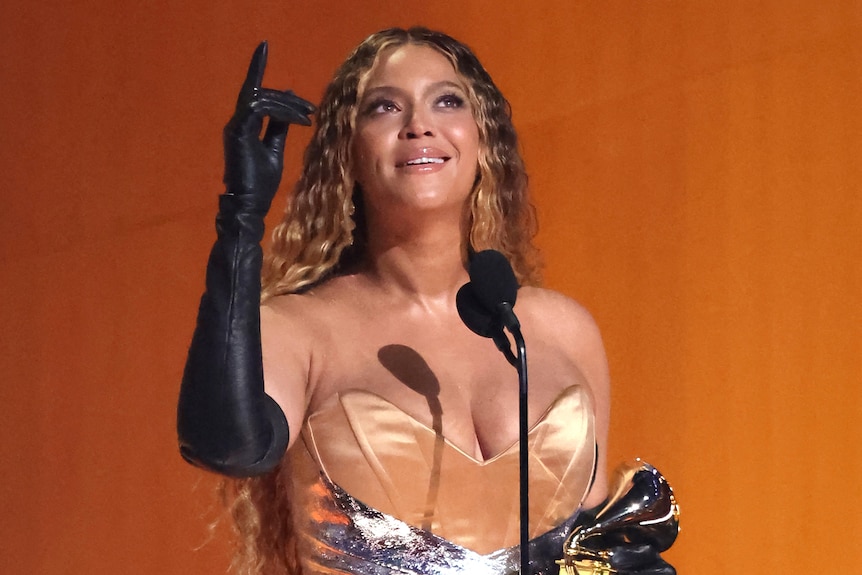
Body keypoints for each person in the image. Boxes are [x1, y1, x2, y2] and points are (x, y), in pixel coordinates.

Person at [178, 27, 676, 575]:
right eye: (385, 107)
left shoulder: (560, 329)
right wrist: (240, 217)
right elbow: (227, 446)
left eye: (447, 100)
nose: (419, 124)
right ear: (347, 152)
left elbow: (598, 553)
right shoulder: (298, 330)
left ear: (483, 139)